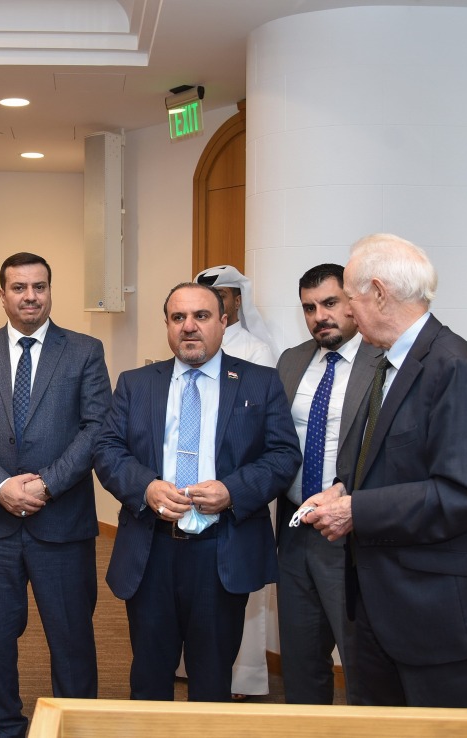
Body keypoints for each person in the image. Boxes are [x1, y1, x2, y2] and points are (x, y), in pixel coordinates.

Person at [301, 234, 467, 708]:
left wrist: (356, 510)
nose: (346, 310)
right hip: (385, 606)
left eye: (350, 297)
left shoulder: (451, 364)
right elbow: (391, 459)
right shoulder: (388, 361)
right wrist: (344, 488)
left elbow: (463, 493)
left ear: (380, 294)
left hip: (443, 616)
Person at [94, 282, 300, 702]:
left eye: (202, 316)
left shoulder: (259, 383)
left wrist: (232, 490)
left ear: (223, 322)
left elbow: (282, 456)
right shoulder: (136, 383)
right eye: (178, 318)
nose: (189, 327)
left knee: (211, 681)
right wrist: (146, 487)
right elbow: (107, 449)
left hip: (220, 551)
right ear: (167, 326)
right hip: (151, 550)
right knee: (149, 677)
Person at [0, 252, 111, 738]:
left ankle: (77, 724)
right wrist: (0, 486)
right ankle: (5, 726)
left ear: (50, 291)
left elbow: (96, 427)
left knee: (71, 638)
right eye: (18, 288)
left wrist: (45, 484)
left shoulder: (84, 350)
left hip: (62, 522)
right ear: (2, 295)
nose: (30, 296)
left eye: (39, 287)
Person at [275, 263, 383, 704]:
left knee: (363, 664)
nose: (320, 316)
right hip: (296, 529)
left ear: (354, 303)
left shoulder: (384, 362)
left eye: (330, 303)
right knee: (300, 661)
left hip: (354, 537)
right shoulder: (292, 360)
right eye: (309, 307)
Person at [193, 263, 278, 697]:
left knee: (237, 599)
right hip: (187, 500)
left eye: (219, 299)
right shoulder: (188, 347)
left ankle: (242, 678)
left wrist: (232, 488)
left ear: (234, 302)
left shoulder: (257, 351)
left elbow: (265, 435)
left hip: (237, 492)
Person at [196, 264, 277, 365]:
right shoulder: (193, 343)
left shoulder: (256, 351)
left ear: (237, 301)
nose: (211, 303)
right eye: (206, 298)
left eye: (220, 296)